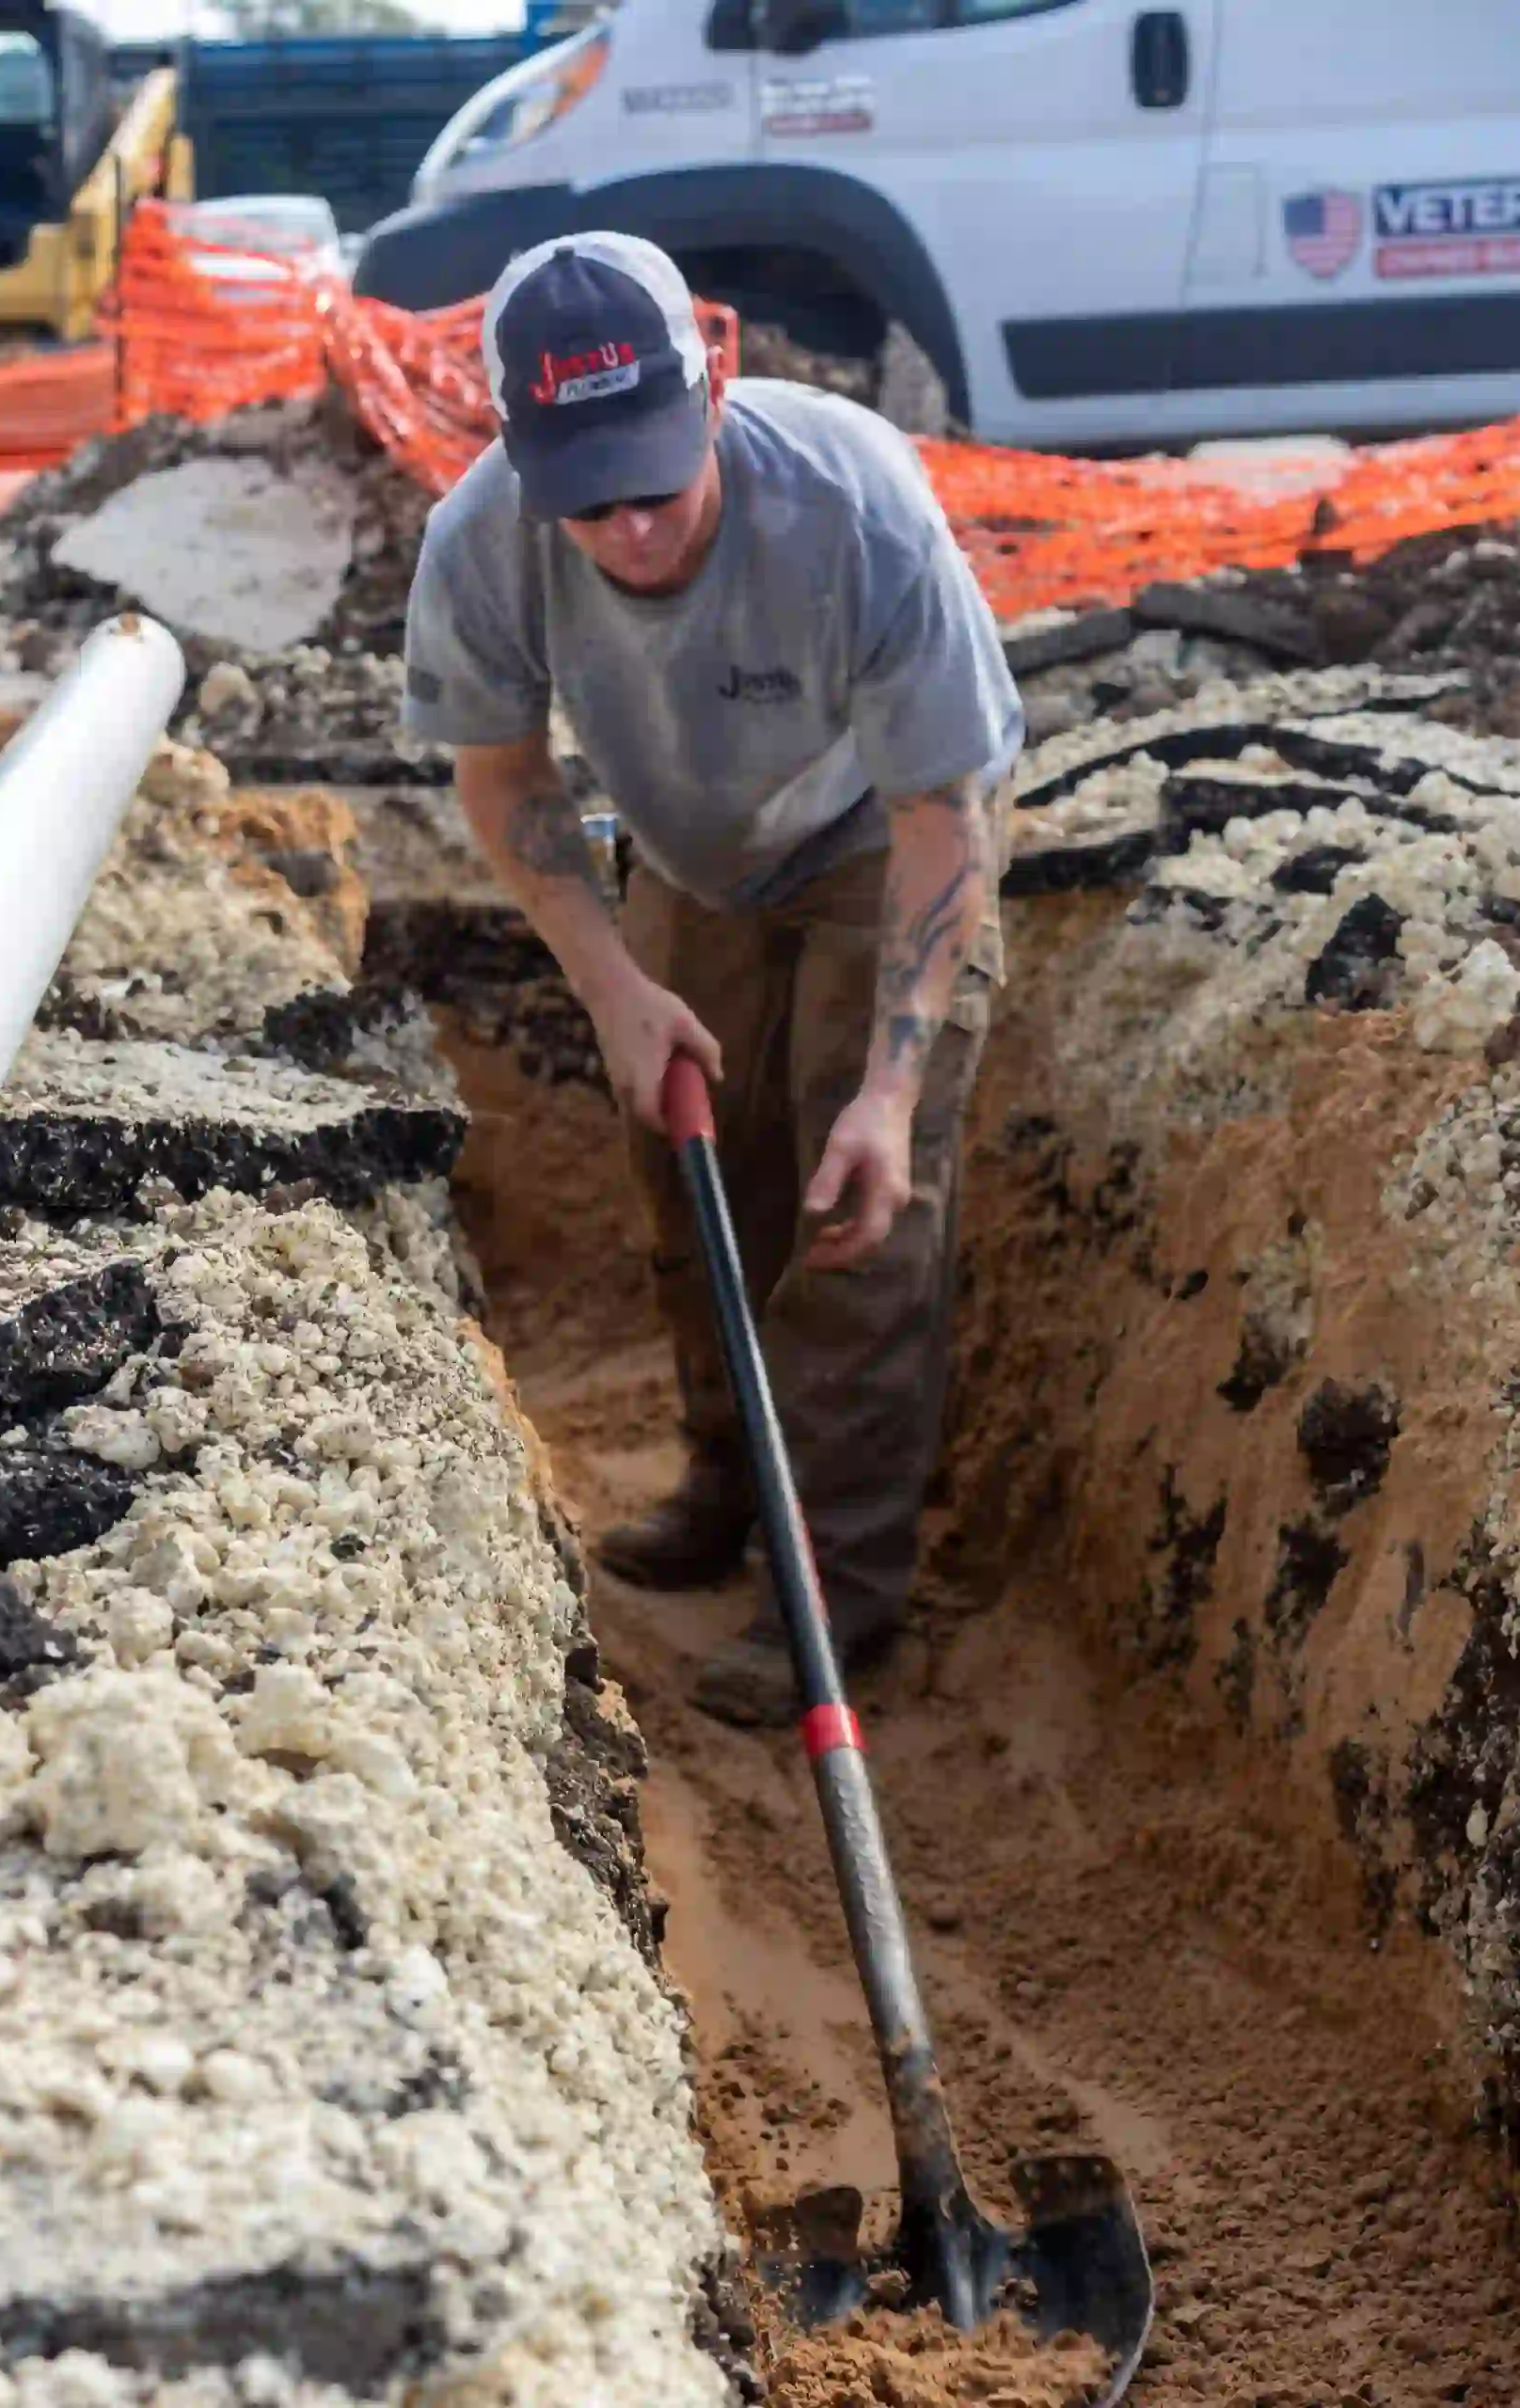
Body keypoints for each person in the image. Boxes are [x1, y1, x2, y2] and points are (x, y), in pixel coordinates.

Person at [403, 231, 1022, 1728]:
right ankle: (722, 1484)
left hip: (876, 836)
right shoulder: (484, 538)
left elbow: (948, 811)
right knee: (691, 1174)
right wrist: (613, 987)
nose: (625, 534)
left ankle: (837, 1595)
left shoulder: (852, 504)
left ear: (717, 380)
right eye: (587, 501)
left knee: (849, 1202)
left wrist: (889, 1087)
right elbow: (502, 780)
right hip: (689, 862)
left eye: (655, 489)